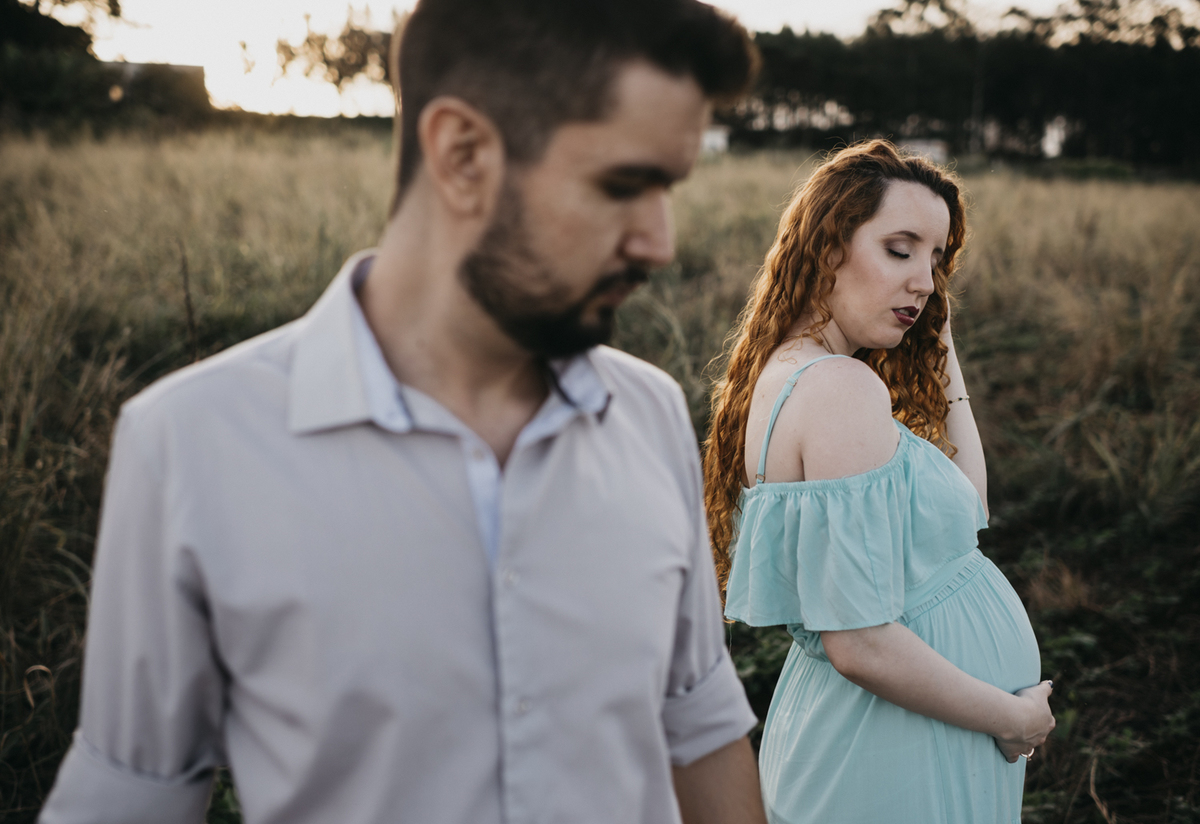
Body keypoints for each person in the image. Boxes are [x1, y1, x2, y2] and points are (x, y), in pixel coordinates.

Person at [39, 2, 767, 822]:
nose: (659, 243)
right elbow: (130, 797)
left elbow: (697, 729)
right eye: (623, 186)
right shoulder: (189, 443)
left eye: (667, 190)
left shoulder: (650, 411)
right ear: (461, 154)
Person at [702, 140, 1056, 823]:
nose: (924, 281)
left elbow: (967, 511)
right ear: (827, 247)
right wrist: (1010, 716)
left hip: (894, 735)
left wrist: (940, 346)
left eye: (936, 259)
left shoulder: (799, 373)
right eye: (900, 249)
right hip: (890, 748)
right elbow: (858, 642)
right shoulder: (839, 388)